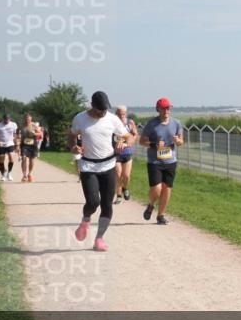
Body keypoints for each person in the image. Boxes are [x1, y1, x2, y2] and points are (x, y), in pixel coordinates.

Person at [70, 91, 131, 252]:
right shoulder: (80, 119)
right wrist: (73, 146)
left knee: (106, 204)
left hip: (108, 165)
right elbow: (71, 135)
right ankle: (85, 220)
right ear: (92, 106)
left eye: (105, 110)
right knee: (92, 201)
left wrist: (124, 142)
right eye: (100, 110)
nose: (103, 113)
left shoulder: (112, 119)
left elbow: (130, 136)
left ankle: (99, 239)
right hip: (88, 166)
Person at [138, 98, 183, 226]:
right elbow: (142, 141)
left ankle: (161, 215)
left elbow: (181, 141)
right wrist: (154, 144)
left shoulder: (176, 123)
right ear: (158, 109)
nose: (166, 111)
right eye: (164, 108)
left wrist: (178, 141)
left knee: (167, 189)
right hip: (154, 161)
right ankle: (151, 205)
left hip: (170, 161)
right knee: (157, 189)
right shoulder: (152, 124)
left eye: (168, 108)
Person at [113, 106, 138, 203]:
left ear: (126, 114)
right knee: (118, 174)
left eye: (123, 114)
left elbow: (135, 135)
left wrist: (129, 142)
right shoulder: (113, 123)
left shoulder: (130, 122)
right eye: (119, 114)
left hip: (127, 152)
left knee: (126, 175)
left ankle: (125, 188)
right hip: (116, 153)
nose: (121, 116)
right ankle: (119, 195)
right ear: (116, 114)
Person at [0, 113, 19, 181]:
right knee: (2, 159)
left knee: (11, 157)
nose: (7, 120)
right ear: (3, 119)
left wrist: (17, 144)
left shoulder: (13, 124)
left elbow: (15, 134)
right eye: (5, 119)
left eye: (8, 119)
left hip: (10, 143)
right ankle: (3, 175)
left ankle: (9, 173)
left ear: (10, 119)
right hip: (1, 143)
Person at [18, 113, 41, 182]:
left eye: (28, 119)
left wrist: (34, 134)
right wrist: (18, 140)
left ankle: (29, 174)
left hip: (33, 144)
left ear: (31, 119)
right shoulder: (22, 126)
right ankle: (24, 175)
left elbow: (40, 134)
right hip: (24, 144)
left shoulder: (34, 125)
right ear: (24, 119)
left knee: (31, 160)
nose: (27, 120)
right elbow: (18, 134)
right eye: (26, 119)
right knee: (24, 158)